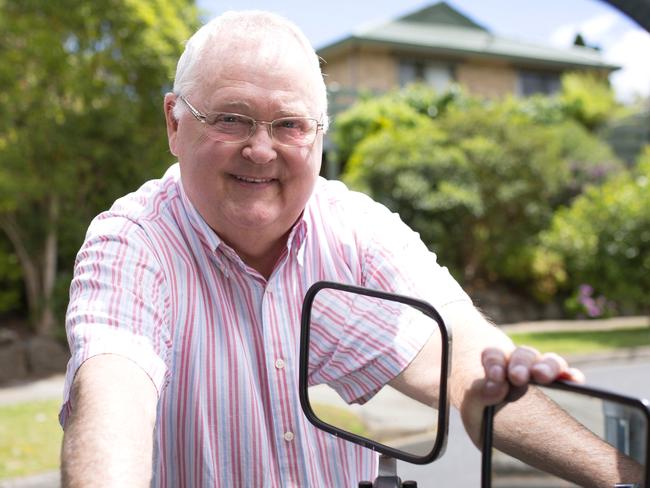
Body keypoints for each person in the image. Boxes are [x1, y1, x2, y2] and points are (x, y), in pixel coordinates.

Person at [59, 10, 586, 487]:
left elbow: (462, 357)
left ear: (319, 134)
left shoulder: (353, 229)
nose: (260, 149)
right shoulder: (133, 242)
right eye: (231, 119)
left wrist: (618, 472)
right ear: (174, 122)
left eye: (289, 125)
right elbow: (112, 395)